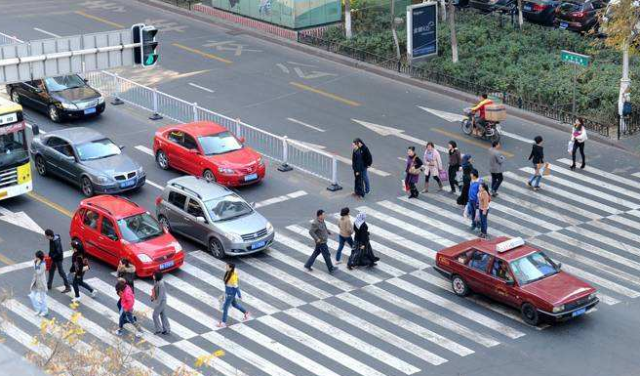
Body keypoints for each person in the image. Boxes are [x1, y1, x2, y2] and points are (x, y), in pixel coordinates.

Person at [218, 263, 250, 328]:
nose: (225, 267)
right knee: (234, 305)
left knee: (225, 308)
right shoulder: (229, 272)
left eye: (227, 266)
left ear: (230, 268)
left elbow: (236, 287)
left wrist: (239, 295)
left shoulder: (232, 277)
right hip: (228, 293)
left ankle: (223, 323)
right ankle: (246, 313)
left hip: (230, 294)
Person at [29, 250, 49, 317]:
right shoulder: (35, 261)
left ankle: (45, 311)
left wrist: (35, 266)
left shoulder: (43, 264)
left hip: (41, 283)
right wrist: (35, 265)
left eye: (36, 256)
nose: (35, 257)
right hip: (35, 282)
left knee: (43, 298)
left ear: (39, 257)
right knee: (32, 296)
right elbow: (35, 269)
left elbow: (39, 272)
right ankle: (38, 309)